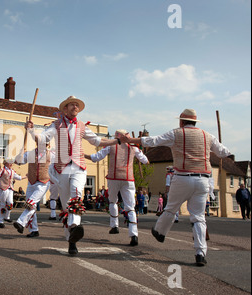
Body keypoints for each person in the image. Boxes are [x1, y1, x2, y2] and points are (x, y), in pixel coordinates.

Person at [122, 108, 231, 266]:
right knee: (199, 217)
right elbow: (223, 152)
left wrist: (131, 140)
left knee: (171, 208)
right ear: (195, 122)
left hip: (182, 177)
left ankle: (160, 232)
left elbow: (153, 141)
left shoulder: (176, 133)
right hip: (203, 180)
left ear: (181, 121)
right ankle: (200, 253)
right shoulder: (208, 136)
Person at [25, 96, 121, 254]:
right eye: (72, 105)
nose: (75, 107)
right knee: (66, 205)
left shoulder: (82, 126)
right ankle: (71, 240)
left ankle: (75, 226)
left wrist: (117, 141)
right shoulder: (56, 125)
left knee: (76, 196)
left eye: (77, 105)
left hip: (79, 166)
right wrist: (30, 130)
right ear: (65, 109)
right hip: (62, 169)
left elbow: (97, 141)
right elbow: (42, 139)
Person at [85, 129, 149, 246]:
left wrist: (83, 155)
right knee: (130, 207)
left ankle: (114, 226)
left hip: (114, 178)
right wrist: (140, 156)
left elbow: (96, 157)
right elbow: (146, 161)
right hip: (128, 179)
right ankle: (133, 235)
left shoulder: (111, 146)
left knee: (113, 201)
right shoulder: (133, 148)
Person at [13, 144, 50, 237]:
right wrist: (21, 152)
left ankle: (21, 222)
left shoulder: (52, 154)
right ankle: (34, 230)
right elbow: (18, 161)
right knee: (31, 207)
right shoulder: (30, 153)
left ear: (48, 144)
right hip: (31, 182)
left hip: (43, 183)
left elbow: (58, 168)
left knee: (31, 203)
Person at [0, 158, 25, 228]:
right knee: (3, 204)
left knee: (10, 203)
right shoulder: (3, 170)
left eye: (11, 163)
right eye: (10, 163)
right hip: (3, 188)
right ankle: (1, 221)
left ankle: (7, 217)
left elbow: (18, 177)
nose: (11, 164)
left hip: (10, 188)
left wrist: (26, 176)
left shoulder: (12, 171)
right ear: (5, 163)